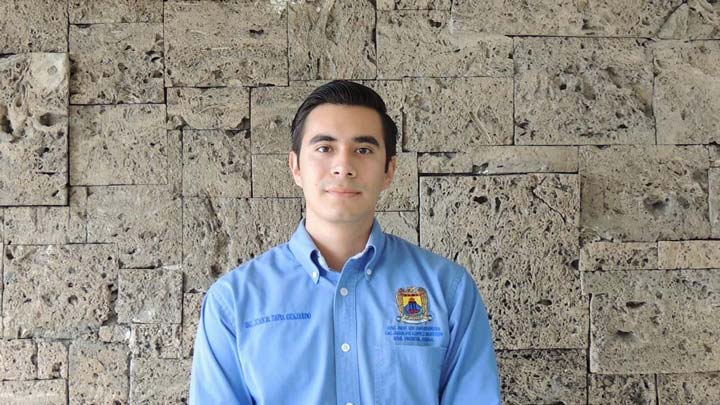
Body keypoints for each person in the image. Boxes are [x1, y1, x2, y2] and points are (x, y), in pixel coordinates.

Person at [188, 80, 502, 404]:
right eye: (325, 148)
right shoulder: (233, 302)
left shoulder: (448, 291)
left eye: (363, 150)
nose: (343, 167)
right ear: (296, 167)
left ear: (389, 170)